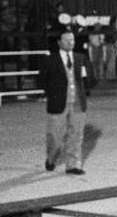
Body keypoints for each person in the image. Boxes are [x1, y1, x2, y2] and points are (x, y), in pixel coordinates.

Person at [38, 27, 93, 174]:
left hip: (78, 103)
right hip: (58, 104)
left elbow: (91, 80)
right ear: (59, 42)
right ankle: (51, 158)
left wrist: (87, 79)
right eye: (67, 40)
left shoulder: (81, 58)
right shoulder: (50, 60)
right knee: (55, 137)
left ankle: (73, 165)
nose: (70, 42)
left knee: (76, 135)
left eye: (72, 40)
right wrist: (53, 93)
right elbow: (41, 81)